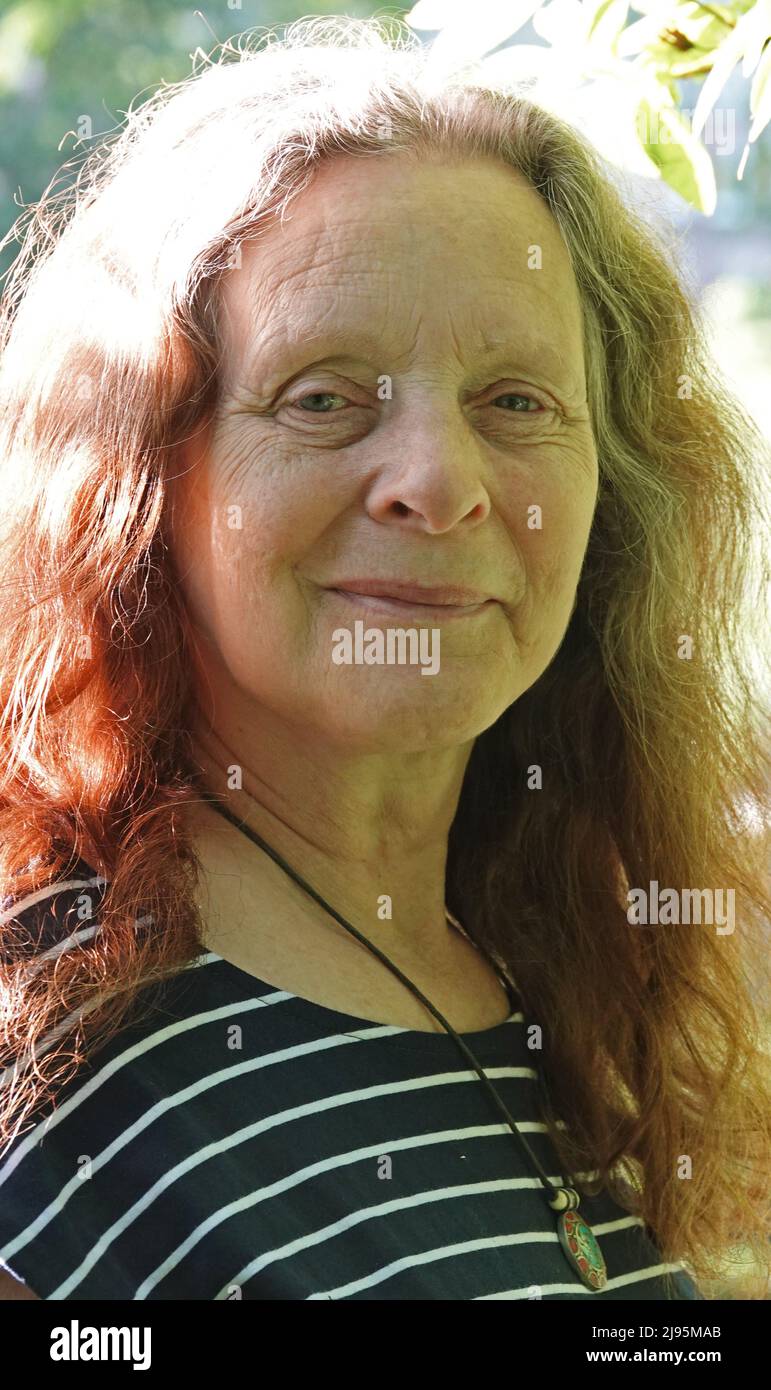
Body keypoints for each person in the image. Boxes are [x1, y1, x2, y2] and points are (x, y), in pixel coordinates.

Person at [0, 15, 768, 1302]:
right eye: (323, 395)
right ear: (138, 482)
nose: (437, 482)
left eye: (516, 400)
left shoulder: (592, 967)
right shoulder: (48, 1058)